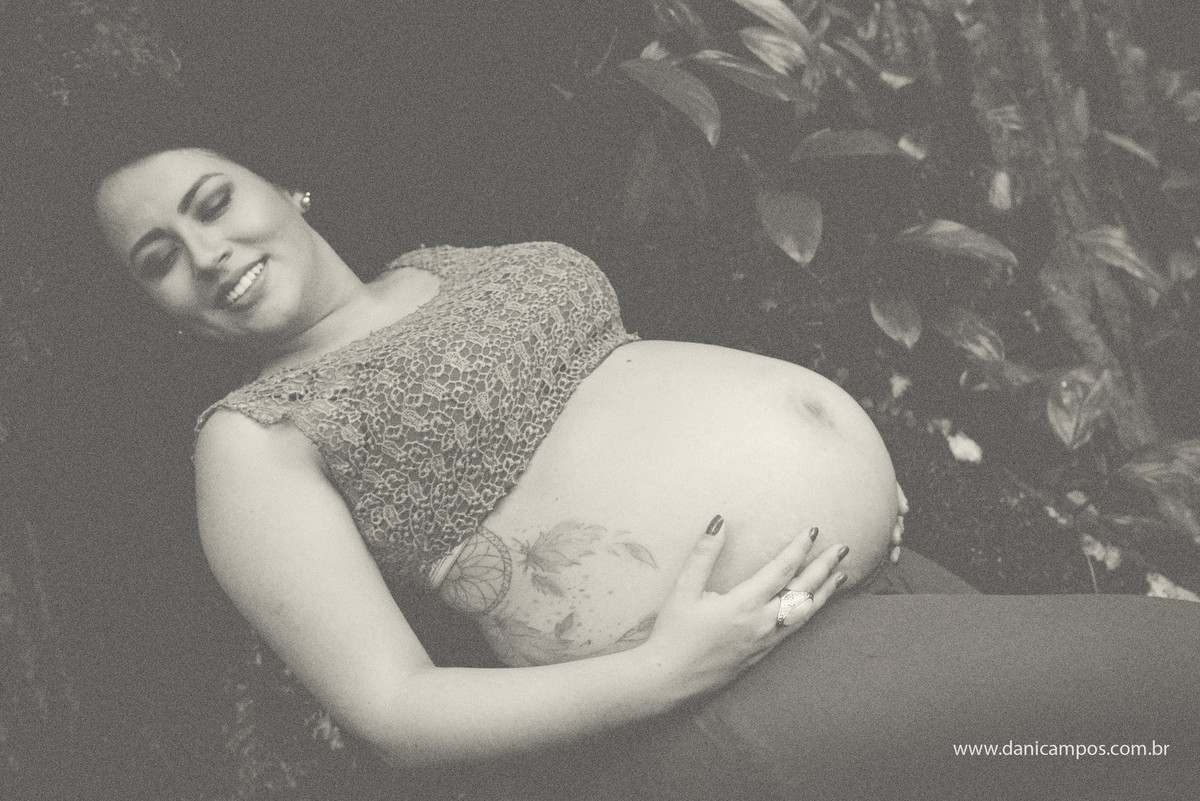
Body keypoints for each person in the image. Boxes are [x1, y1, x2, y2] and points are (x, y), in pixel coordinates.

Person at [92, 146, 1200, 799]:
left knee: (1131, 767)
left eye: (211, 204)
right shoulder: (250, 438)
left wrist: (830, 458)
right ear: (162, 310)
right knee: (1170, 689)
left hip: (874, 596)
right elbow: (392, 707)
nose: (207, 254)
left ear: (284, 190)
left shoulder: (441, 265)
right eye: (160, 261)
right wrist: (667, 670)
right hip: (722, 698)